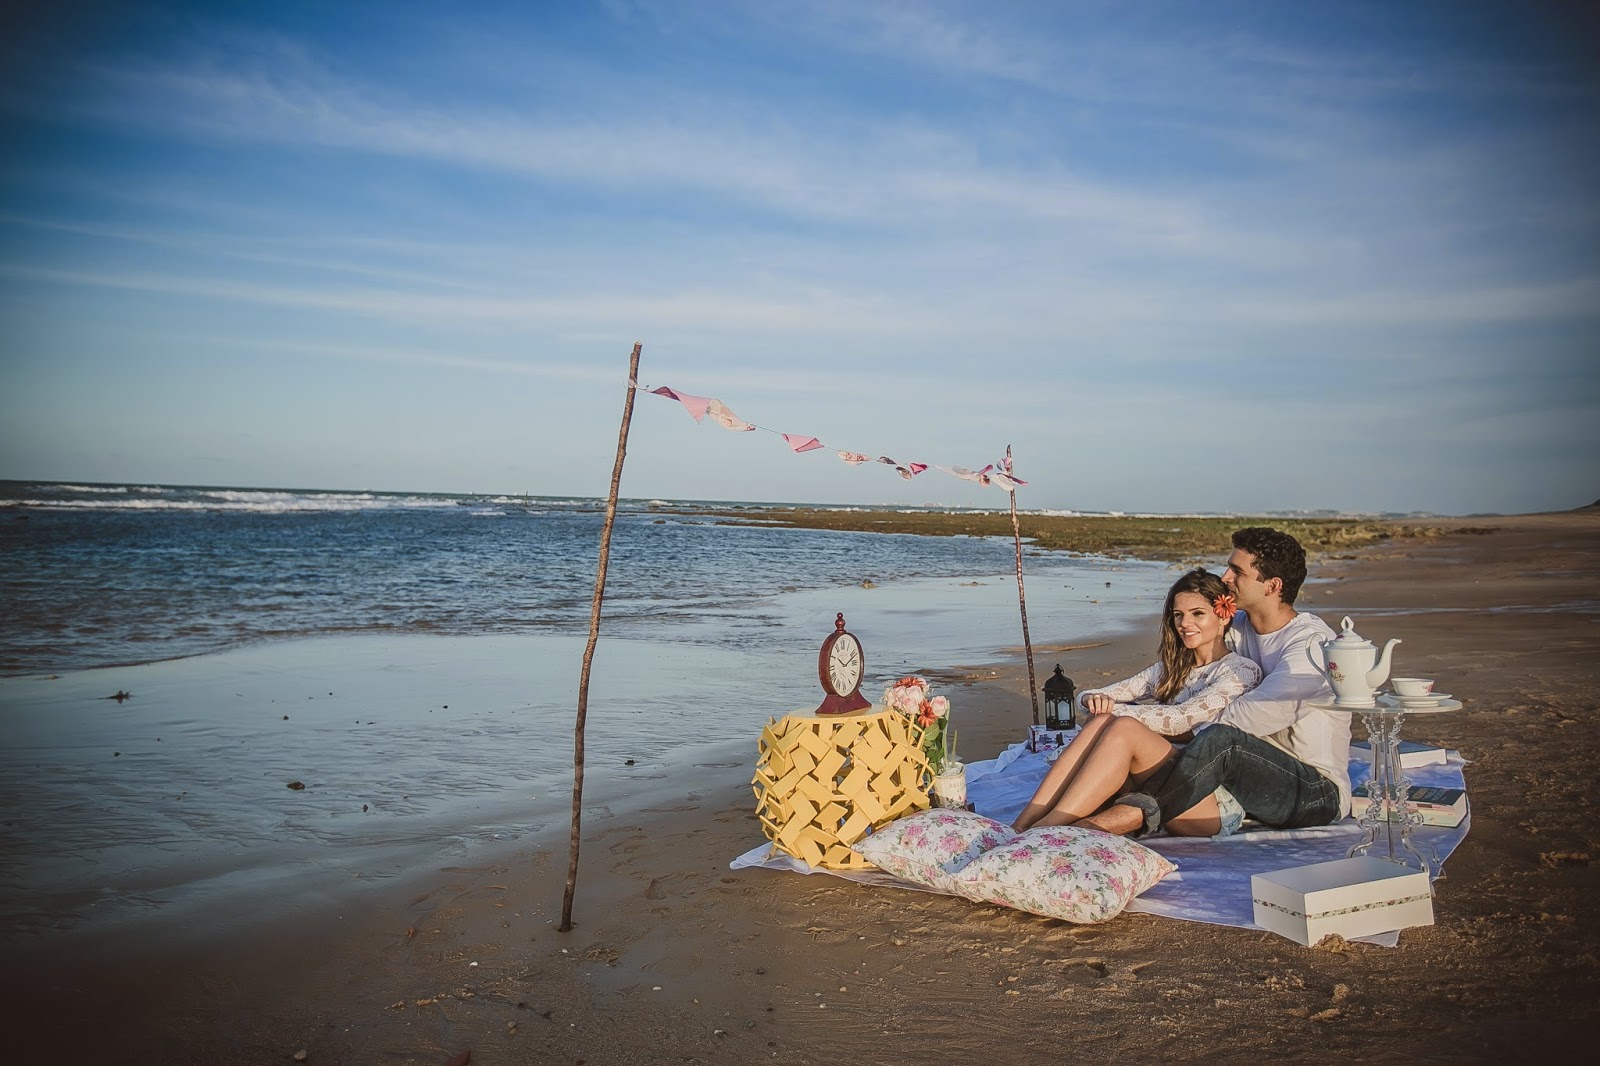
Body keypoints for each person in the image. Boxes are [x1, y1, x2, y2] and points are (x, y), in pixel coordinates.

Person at [1090, 527, 1346, 838]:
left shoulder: (1311, 646)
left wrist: (1161, 726)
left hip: (1312, 790)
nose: (1225, 577)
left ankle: (1103, 825)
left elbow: (1246, 719)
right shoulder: (1236, 629)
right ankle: (1053, 819)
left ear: (1272, 585)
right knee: (1144, 744)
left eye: (1237, 571)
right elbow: (1192, 660)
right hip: (1238, 778)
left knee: (1221, 738)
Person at [1011, 568, 1261, 832]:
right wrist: (1096, 701)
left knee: (1123, 726)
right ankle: (1022, 825)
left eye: (1197, 613)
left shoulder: (1240, 671)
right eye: (1178, 615)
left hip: (1206, 797)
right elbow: (1092, 695)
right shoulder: (1171, 669)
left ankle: (1045, 828)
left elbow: (1180, 720)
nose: (1185, 624)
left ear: (1223, 616)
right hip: (1161, 785)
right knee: (1104, 719)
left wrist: (1115, 712)